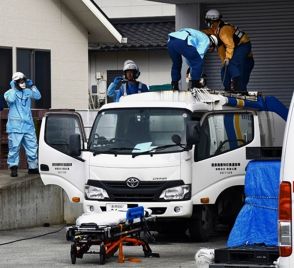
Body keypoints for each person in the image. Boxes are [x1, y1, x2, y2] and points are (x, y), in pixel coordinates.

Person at [203, 9, 254, 91]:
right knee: (225, 67)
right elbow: (220, 49)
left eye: (208, 21)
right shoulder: (216, 30)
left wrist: (227, 58)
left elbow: (230, 45)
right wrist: (224, 61)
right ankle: (227, 88)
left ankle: (238, 87)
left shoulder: (223, 31)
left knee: (233, 64)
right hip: (236, 47)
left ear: (212, 21)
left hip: (242, 45)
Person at [4, 72, 41, 177]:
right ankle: (13, 167)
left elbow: (38, 96)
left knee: (32, 146)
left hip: (28, 126)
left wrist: (32, 85)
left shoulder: (27, 92)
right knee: (14, 148)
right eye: (20, 81)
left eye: (23, 81)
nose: (23, 83)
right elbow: (11, 99)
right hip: (15, 126)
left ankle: (33, 167)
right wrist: (13, 87)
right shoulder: (9, 93)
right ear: (15, 82)